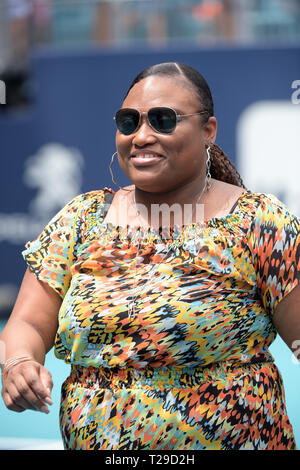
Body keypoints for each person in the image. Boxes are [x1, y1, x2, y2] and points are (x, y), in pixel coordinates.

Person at [1, 62, 300, 450]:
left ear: (208, 131)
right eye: (129, 122)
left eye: (163, 120)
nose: (141, 136)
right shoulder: (81, 220)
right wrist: (19, 363)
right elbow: (27, 322)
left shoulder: (259, 223)